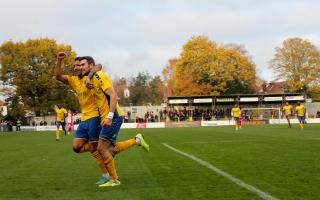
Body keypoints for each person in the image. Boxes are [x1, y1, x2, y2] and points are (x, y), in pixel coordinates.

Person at [83, 56, 150, 187]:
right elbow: (98, 66)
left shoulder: (98, 75)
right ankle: (137, 140)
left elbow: (113, 95)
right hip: (107, 117)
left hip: (112, 117)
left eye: (82, 64)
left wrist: (109, 116)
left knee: (101, 148)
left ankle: (114, 180)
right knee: (110, 150)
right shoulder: (90, 77)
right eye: (77, 65)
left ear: (90, 65)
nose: (79, 67)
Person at [56, 53, 109, 185]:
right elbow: (58, 76)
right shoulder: (74, 80)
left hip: (95, 117)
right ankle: (105, 150)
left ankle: (106, 174)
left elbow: (99, 65)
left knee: (94, 147)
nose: (77, 67)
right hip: (84, 119)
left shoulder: (93, 76)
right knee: (76, 147)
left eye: (79, 65)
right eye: (75, 66)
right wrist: (59, 60)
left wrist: (89, 76)